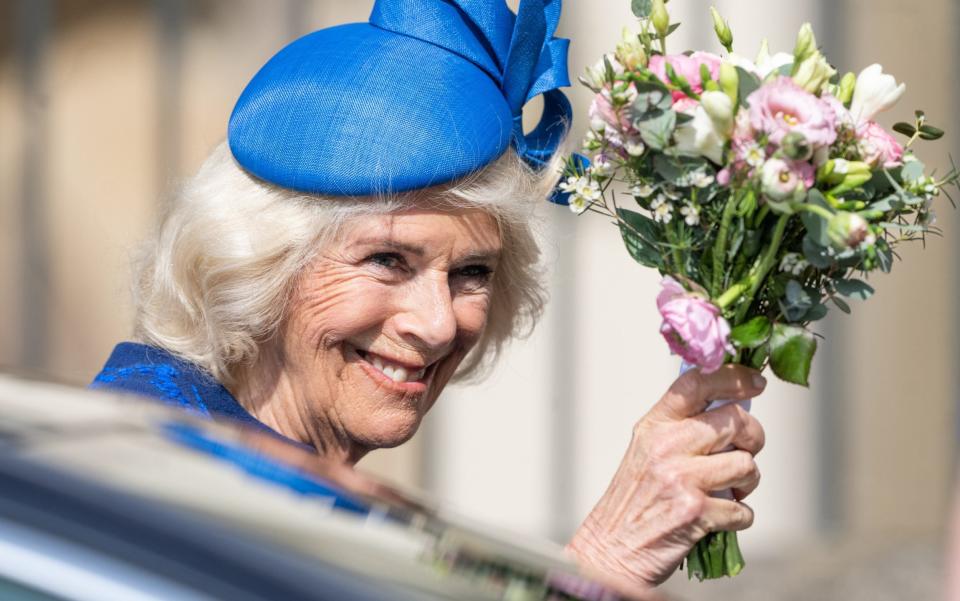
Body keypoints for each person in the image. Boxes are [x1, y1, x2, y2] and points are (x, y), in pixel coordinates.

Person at [91, 0, 766, 590]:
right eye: (387, 260)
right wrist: (601, 562)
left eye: (471, 273)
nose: (439, 323)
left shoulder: (307, 484)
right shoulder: (154, 481)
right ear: (259, 265)